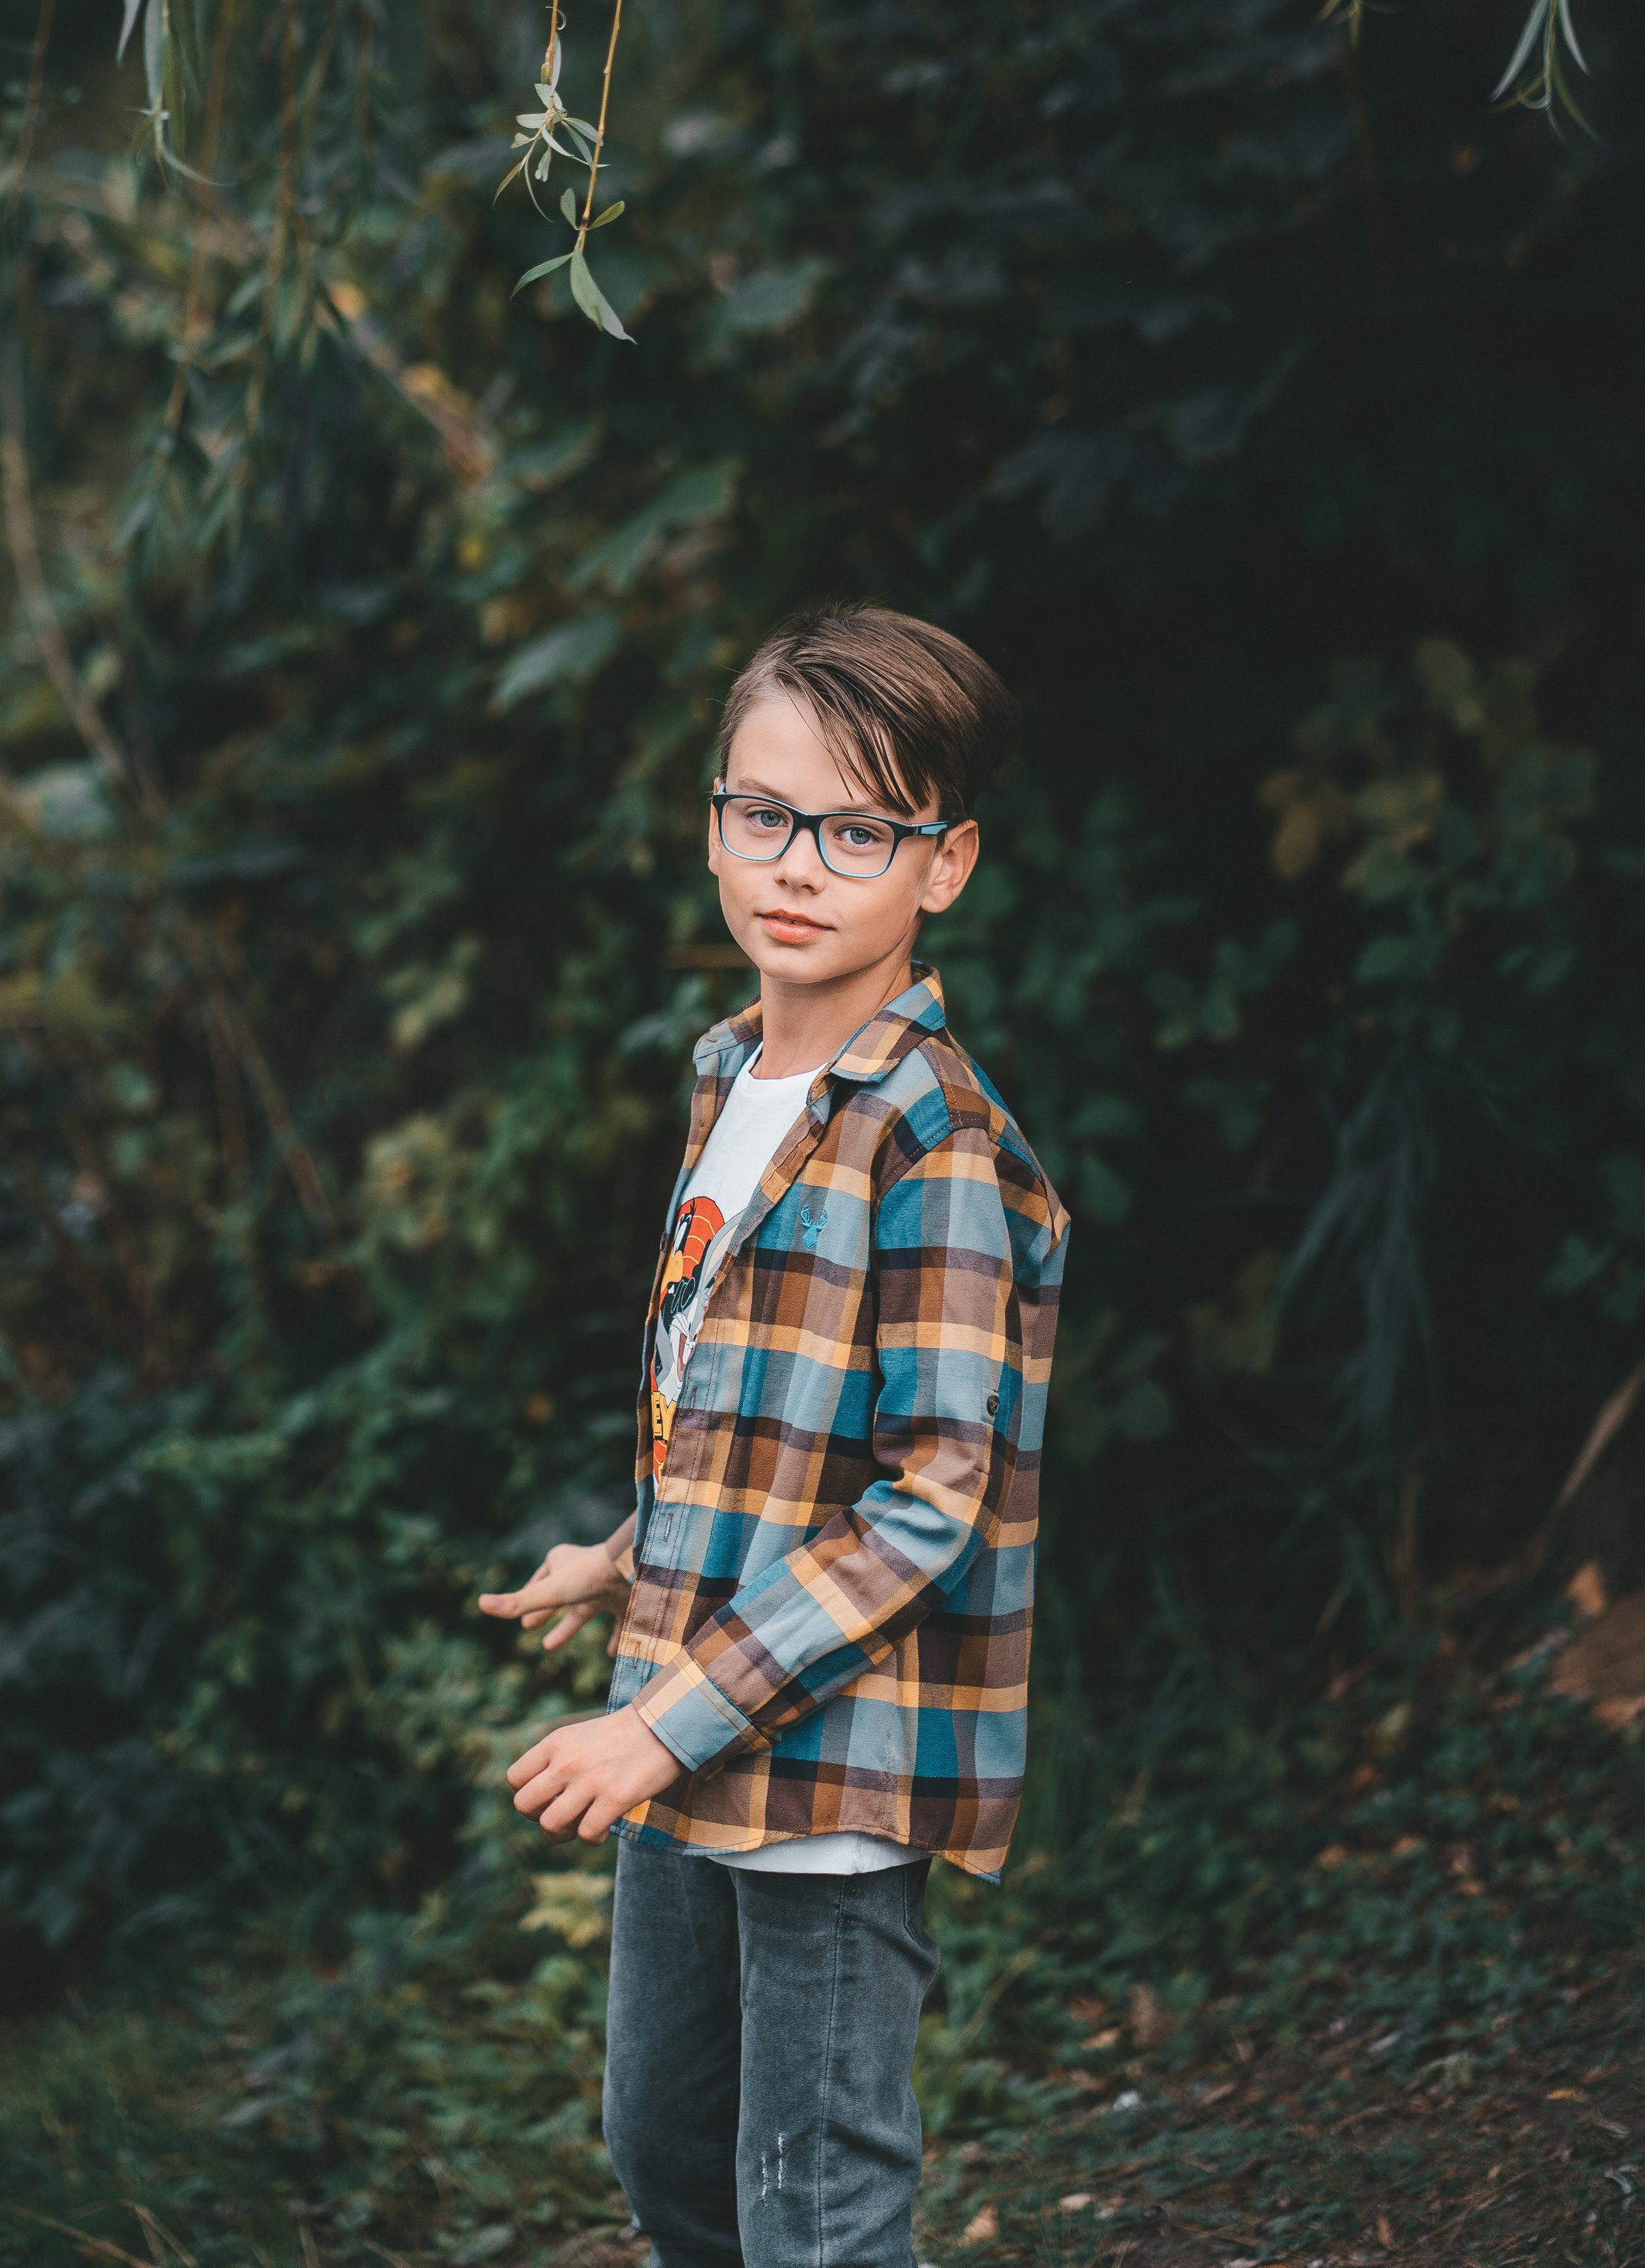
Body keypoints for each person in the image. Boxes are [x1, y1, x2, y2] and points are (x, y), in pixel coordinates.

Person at [479, 606, 1069, 2268]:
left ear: (938, 865)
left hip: (822, 1766)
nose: (794, 865)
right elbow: (751, 1414)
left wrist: (658, 1728)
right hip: (680, 1698)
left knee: (811, 2201)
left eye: (854, 830)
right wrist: (620, 1561)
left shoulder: (927, 1135)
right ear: (712, 819)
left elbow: (928, 1496)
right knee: (660, 2144)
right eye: (761, 813)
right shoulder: (730, 1076)